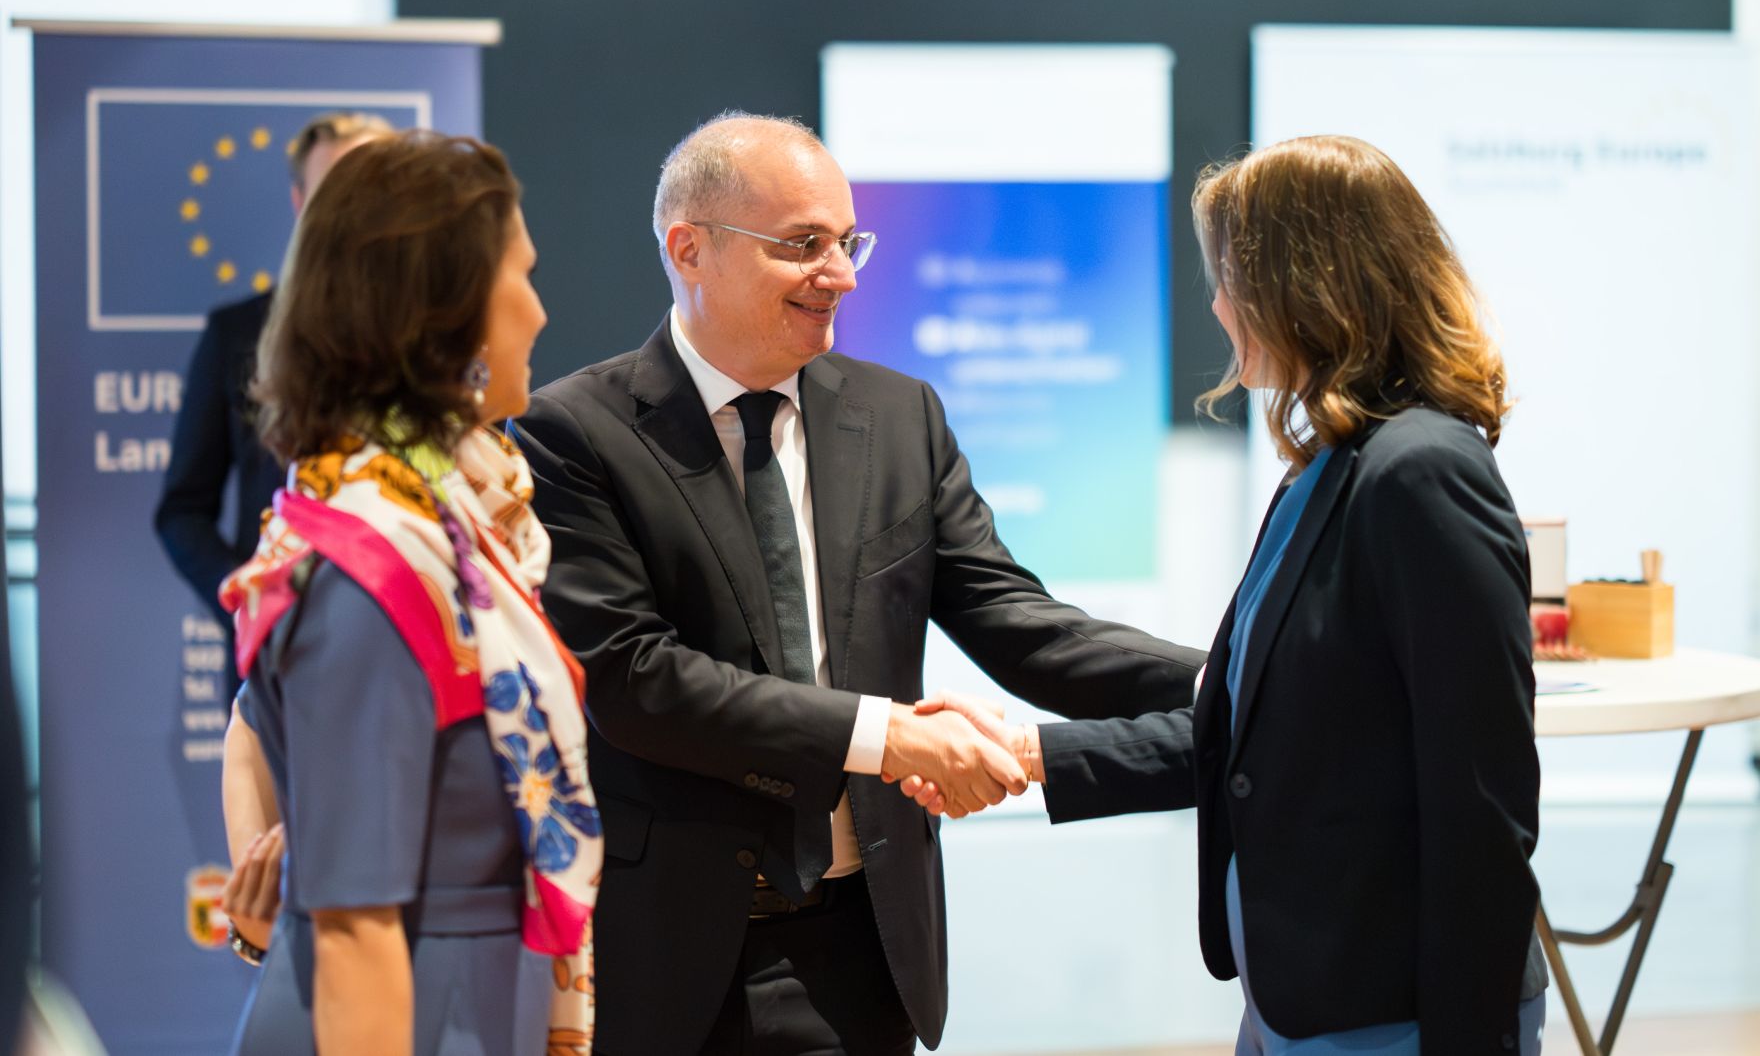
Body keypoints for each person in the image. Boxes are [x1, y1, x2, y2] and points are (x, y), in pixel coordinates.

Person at [512, 111, 1205, 1055]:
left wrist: (1228, 678)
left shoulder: (898, 414)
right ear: (691, 249)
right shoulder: (574, 431)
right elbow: (636, 680)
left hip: (864, 944)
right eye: (802, 245)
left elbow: (1017, 620)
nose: (838, 273)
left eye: (847, 242)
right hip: (672, 953)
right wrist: (888, 739)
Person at [909, 136, 1548, 1054]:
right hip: (1300, 997)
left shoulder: (1421, 473)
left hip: (1397, 1012)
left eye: (1230, 277)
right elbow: (1260, 732)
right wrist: (1029, 750)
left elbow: (1481, 801)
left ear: (1310, 283)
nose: (1215, 304)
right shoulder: (1327, 470)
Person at [217, 130, 601, 1055]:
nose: (540, 312)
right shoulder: (377, 555)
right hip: (399, 1011)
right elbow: (354, 926)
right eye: (522, 275)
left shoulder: (443, 518)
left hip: (467, 999)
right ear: (447, 310)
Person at [155, 111, 392, 699]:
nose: (353, 209)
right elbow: (183, 509)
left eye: (372, 189)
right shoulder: (239, 334)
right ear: (299, 201)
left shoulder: (439, 335)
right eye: (334, 190)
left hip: (408, 650)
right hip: (273, 663)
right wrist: (248, 597)